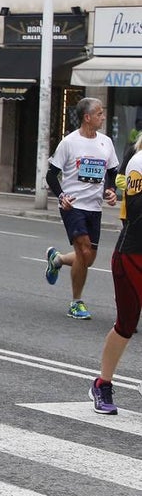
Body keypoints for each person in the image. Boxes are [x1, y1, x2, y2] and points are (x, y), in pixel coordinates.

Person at [44, 97, 119, 320]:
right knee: (84, 251)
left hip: (95, 207)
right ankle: (76, 303)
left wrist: (111, 190)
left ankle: (56, 259)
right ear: (87, 117)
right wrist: (62, 196)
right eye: (99, 113)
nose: (103, 117)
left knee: (88, 259)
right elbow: (51, 175)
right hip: (73, 206)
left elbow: (112, 171)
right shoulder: (69, 142)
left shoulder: (106, 142)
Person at [90, 132, 142, 414]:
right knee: (126, 323)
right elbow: (134, 210)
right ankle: (102, 383)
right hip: (132, 255)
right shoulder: (139, 161)